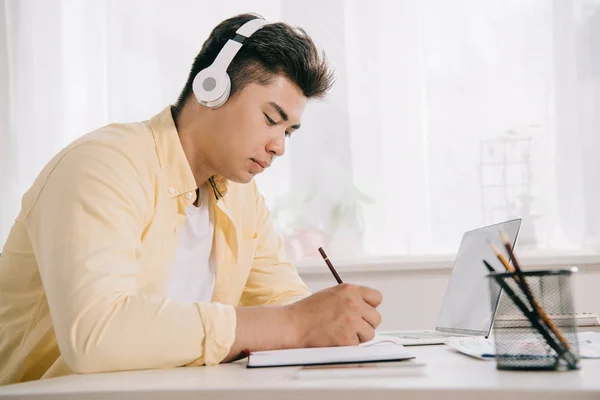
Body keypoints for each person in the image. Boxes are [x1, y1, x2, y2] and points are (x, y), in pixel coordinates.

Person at [0, 13, 383, 384]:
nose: (279, 147)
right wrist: (296, 325)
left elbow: (285, 304)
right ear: (211, 89)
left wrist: (328, 323)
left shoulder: (242, 199)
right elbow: (96, 334)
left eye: (289, 132)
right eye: (270, 119)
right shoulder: (103, 166)